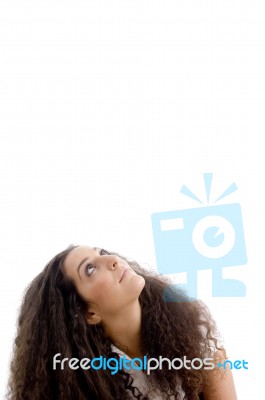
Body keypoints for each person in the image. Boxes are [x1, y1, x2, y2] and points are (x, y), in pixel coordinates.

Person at [7, 244, 238, 400]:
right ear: (89, 314)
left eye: (102, 252)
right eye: (90, 269)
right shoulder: (89, 382)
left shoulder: (190, 325)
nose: (113, 259)